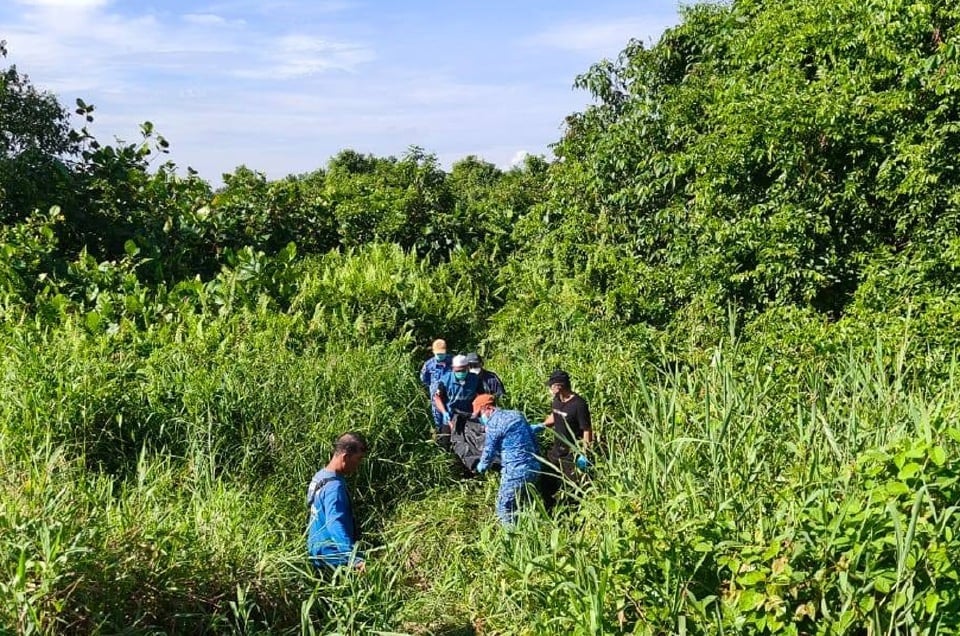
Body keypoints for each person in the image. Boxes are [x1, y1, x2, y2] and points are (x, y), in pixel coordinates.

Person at [473, 393, 541, 525]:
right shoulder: (517, 415)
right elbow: (532, 437)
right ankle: (533, 527)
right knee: (526, 502)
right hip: (534, 467)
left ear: (486, 408)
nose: (480, 418)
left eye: (479, 414)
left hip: (515, 472)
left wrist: (482, 466)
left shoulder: (493, 424)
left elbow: (488, 451)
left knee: (503, 508)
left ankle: (512, 539)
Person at [306, 432, 368, 571]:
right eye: (358, 459)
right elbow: (335, 523)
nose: (358, 465)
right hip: (333, 556)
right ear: (345, 457)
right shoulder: (334, 487)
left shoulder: (320, 477)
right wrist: (353, 558)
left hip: (317, 552)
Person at [539, 369, 592, 512]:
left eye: (551, 386)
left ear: (559, 386)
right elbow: (554, 415)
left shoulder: (579, 405)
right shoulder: (557, 399)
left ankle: (576, 515)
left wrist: (584, 453)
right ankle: (550, 510)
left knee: (575, 487)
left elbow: (587, 429)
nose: (549, 389)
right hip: (556, 449)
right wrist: (541, 425)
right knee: (546, 479)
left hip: (572, 452)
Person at [419, 339, 452, 430]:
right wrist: (433, 386)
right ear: (433, 352)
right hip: (436, 396)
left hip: (450, 396)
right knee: (438, 419)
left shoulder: (452, 361)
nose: (441, 356)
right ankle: (440, 437)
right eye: (438, 354)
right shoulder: (429, 365)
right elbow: (424, 379)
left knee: (451, 418)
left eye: (442, 353)